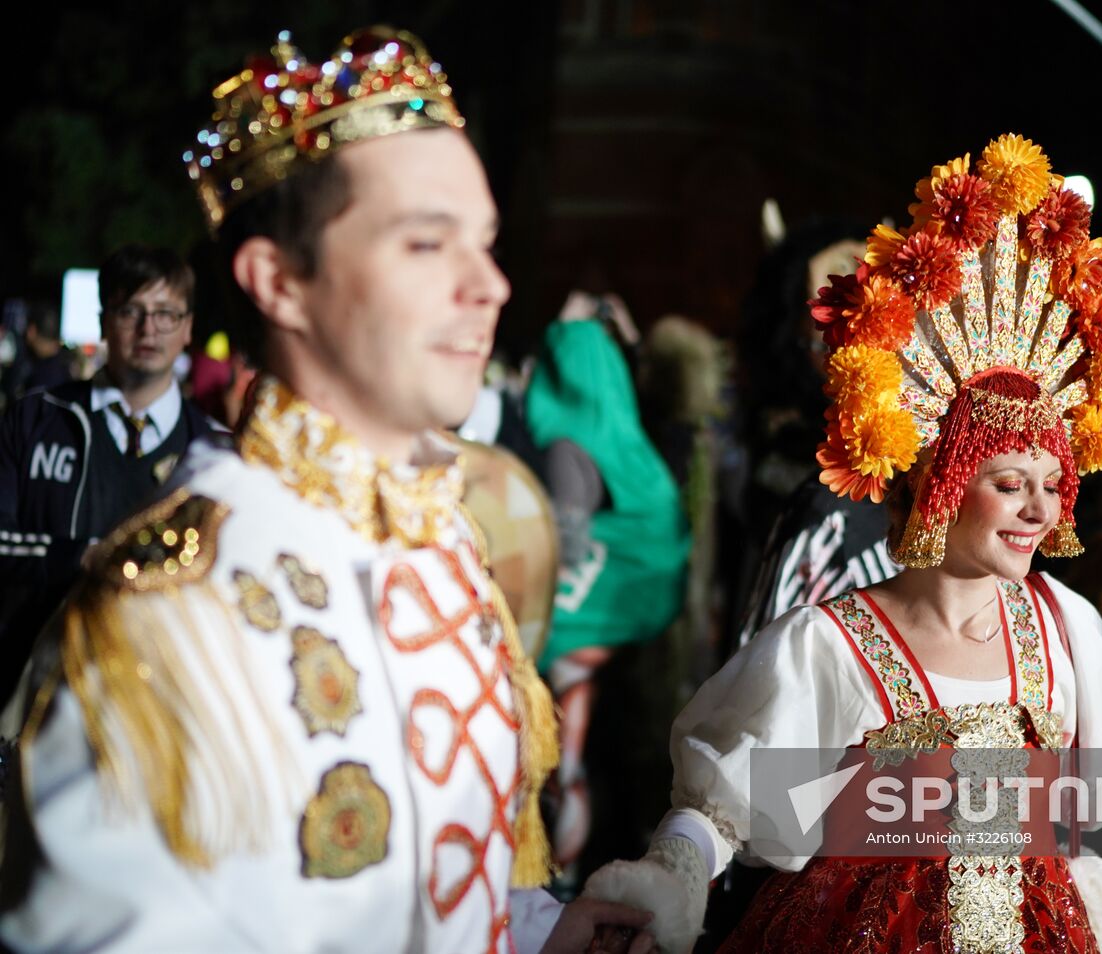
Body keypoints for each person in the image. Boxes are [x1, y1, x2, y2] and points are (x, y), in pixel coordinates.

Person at [0, 27, 653, 954]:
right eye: (428, 243)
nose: (492, 285)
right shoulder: (167, 623)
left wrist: (540, 929)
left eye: (487, 243)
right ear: (280, 284)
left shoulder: (451, 552)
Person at [581, 134, 1102, 953]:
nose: (1039, 510)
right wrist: (674, 873)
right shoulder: (834, 644)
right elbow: (726, 806)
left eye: (1052, 484)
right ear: (942, 486)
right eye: (1009, 483)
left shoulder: (1060, 627)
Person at [0, 247, 217, 704]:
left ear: (188, 327)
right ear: (104, 321)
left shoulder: (214, 451)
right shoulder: (33, 420)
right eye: (130, 311)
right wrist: (81, 556)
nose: (148, 329)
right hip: (33, 684)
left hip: (158, 698)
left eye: (166, 313)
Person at [525, 291, 691, 871]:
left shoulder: (569, 448)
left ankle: (560, 883)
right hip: (632, 629)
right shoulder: (631, 443)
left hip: (577, 636)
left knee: (567, 767)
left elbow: (562, 553)